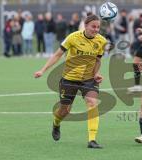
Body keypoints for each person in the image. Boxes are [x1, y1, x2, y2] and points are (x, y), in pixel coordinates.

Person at [34, 14, 107, 149]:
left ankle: (92, 140)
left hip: (89, 79)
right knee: (64, 111)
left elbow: (97, 59)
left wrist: (96, 73)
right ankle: (56, 123)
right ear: (85, 26)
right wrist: (42, 70)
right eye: (93, 26)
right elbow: (57, 55)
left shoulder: (101, 41)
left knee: (92, 103)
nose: (96, 29)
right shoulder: (73, 37)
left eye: (98, 27)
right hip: (69, 78)